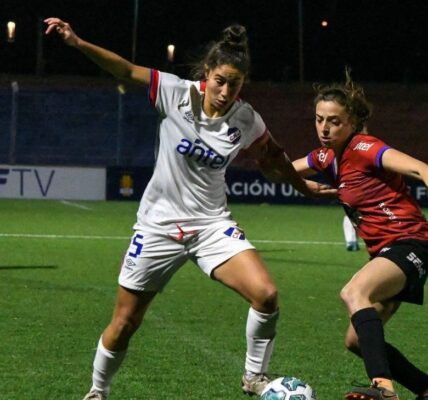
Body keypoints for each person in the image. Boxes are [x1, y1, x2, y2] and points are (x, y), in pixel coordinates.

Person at [45, 17, 334, 400]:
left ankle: (254, 378)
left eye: (236, 83)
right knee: (126, 321)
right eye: (221, 80)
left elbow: (276, 158)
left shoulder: (246, 119)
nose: (226, 90)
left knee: (265, 294)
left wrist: (305, 188)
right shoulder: (173, 92)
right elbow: (126, 69)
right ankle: (98, 391)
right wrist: (78, 42)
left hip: (211, 225)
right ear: (207, 73)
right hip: (157, 227)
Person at [292, 68, 428, 400]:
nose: (324, 128)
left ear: (351, 122)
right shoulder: (325, 156)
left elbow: (420, 169)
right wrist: (300, 185)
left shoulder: (365, 146)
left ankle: (382, 389)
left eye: (334, 121)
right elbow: (282, 168)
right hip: (385, 253)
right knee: (356, 340)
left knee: (354, 292)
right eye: (319, 119)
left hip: (411, 244)